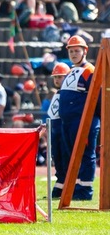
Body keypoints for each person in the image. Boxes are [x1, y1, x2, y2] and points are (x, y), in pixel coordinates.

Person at [58, 36, 99, 200]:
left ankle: (85, 190)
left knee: (86, 154)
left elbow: (97, 96)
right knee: (72, 155)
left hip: (82, 121)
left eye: (77, 51)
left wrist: (91, 120)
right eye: (71, 51)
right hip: (68, 122)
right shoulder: (70, 71)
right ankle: (75, 188)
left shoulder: (90, 70)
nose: (74, 54)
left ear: (85, 51)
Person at [46, 62, 70, 198]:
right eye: (55, 77)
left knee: (65, 159)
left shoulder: (67, 94)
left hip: (63, 132)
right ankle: (59, 186)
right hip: (55, 133)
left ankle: (67, 188)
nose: (56, 80)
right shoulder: (57, 93)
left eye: (60, 77)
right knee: (58, 159)